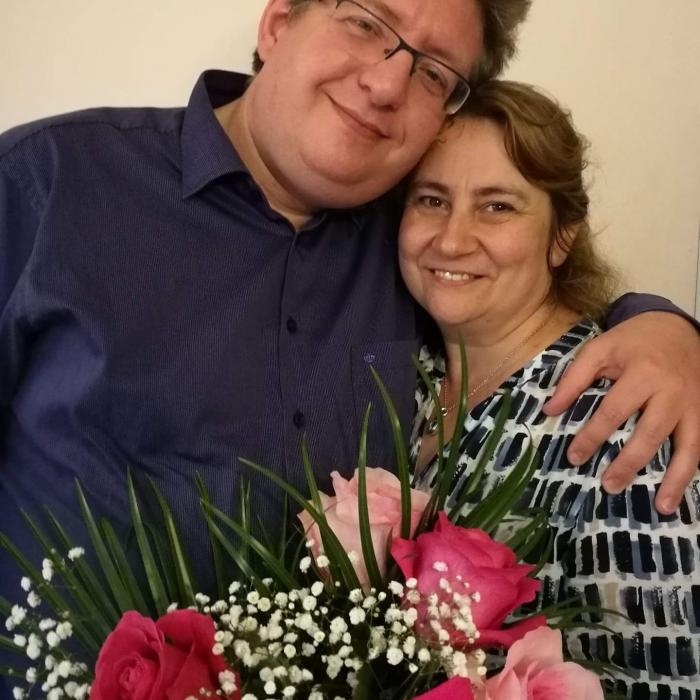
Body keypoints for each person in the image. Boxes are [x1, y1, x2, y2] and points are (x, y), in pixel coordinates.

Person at [0, 0, 699, 669]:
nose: (387, 84)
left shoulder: (411, 241)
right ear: (278, 23)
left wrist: (664, 328)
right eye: (365, 23)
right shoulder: (44, 183)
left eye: (433, 73)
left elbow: (522, 285)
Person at [402, 79, 699, 699]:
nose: (451, 239)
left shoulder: (623, 426)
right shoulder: (407, 376)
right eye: (431, 199)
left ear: (563, 236)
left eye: (497, 206)